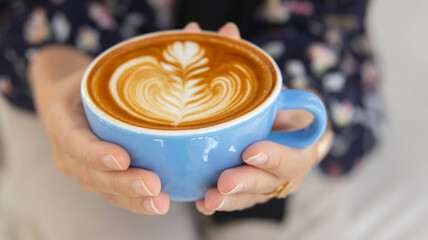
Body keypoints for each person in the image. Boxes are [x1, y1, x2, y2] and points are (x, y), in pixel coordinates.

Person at [0, 0, 381, 239]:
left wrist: (312, 134)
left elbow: (330, 18)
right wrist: (54, 74)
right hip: (79, 77)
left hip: (300, 64)